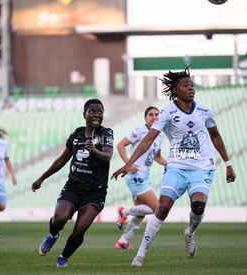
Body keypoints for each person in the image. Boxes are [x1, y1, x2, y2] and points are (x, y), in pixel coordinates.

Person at [111, 66, 236, 267]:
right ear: (176, 90)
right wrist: (129, 163)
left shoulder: (204, 110)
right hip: (176, 168)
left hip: (201, 168)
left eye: (192, 85)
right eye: (186, 85)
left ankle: (190, 232)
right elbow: (148, 139)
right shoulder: (167, 112)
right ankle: (140, 255)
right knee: (161, 209)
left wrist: (228, 164)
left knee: (198, 206)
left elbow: (215, 136)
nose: (191, 88)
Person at [31, 98, 114, 267]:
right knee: (59, 219)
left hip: (95, 192)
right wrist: (42, 178)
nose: (97, 114)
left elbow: (108, 156)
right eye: (92, 111)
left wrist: (95, 150)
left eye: (100, 112)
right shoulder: (76, 134)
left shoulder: (106, 133)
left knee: (80, 229)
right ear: (84, 114)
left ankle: (63, 257)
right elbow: (62, 159)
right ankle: (52, 236)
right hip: (73, 187)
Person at [115, 106, 167, 250]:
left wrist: (170, 164)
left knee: (140, 212)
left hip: (145, 177)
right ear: (145, 118)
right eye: (151, 114)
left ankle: (123, 241)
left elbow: (157, 157)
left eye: (157, 114)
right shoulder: (140, 131)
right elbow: (120, 145)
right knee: (157, 208)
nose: (154, 117)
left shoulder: (159, 136)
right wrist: (128, 164)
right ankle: (123, 211)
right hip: (135, 177)